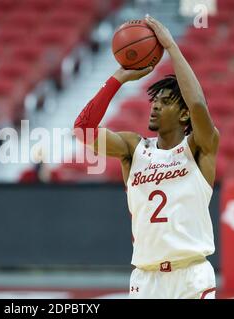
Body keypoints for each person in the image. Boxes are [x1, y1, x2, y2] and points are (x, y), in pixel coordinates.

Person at [73, 15, 219, 299]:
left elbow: (199, 103)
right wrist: (120, 77)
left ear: (184, 113)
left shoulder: (199, 147)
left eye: (165, 102)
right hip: (145, 277)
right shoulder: (133, 148)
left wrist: (171, 47)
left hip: (191, 275)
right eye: (154, 101)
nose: (155, 107)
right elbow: (82, 131)